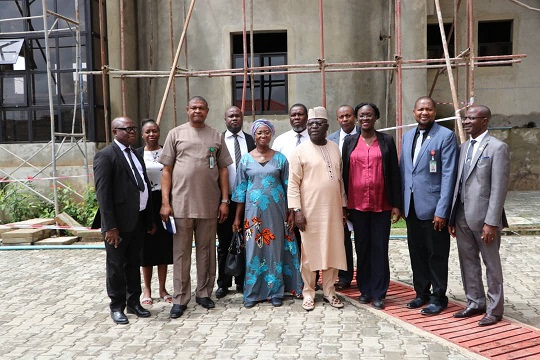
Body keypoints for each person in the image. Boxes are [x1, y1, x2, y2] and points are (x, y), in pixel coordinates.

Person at [159, 96, 233, 319]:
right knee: (181, 253)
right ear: (187, 110)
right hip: (181, 204)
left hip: (209, 205)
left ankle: (204, 293)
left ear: (207, 111)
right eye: (193, 108)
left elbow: (223, 170)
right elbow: (166, 171)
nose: (197, 111)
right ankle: (180, 298)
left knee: (207, 251)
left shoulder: (216, 135)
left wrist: (225, 201)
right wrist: (165, 202)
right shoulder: (175, 134)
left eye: (201, 107)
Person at [448, 105, 510, 326]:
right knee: (467, 261)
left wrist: (491, 222)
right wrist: (452, 216)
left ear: (485, 121)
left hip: (484, 219)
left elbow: (498, 188)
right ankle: (475, 302)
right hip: (462, 215)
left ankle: (494, 310)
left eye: (471, 118)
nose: (466, 122)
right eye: (465, 118)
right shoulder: (464, 147)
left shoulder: (497, 148)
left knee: (491, 264)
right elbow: (458, 183)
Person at [231, 119, 303, 308]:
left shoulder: (281, 159)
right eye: (259, 133)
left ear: (271, 135)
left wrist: (291, 212)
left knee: (275, 250)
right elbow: (240, 191)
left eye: (266, 133)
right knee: (254, 252)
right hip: (253, 215)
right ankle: (253, 293)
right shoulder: (245, 159)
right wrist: (237, 218)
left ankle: (275, 292)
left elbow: (289, 187)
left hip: (277, 213)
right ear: (254, 135)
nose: (263, 136)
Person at [400, 96, 458, 316]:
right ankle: (421, 293)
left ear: (435, 112)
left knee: (437, 254)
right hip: (412, 207)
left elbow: (449, 175)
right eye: (420, 109)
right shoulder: (407, 137)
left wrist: (442, 210)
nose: (424, 113)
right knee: (417, 252)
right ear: (414, 112)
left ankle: (438, 297)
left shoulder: (445, 136)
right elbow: (405, 171)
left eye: (429, 109)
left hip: (434, 209)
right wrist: (400, 204)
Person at [93, 116, 153, 325]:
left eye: (133, 128)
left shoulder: (136, 154)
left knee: (133, 263)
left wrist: (149, 218)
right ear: (115, 131)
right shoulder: (105, 156)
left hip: (136, 219)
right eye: (126, 129)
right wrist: (110, 226)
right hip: (117, 225)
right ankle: (117, 306)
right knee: (116, 265)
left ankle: (133, 302)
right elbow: (103, 194)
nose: (132, 132)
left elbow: (143, 184)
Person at [342, 103, 402, 310]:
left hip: (381, 205)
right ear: (357, 119)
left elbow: (394, 172)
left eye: (369, 115)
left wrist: (396, 204)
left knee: (379, 248)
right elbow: (344, 175)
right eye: (361, 115)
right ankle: (364, 290)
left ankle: (378, 293)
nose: (365, 118)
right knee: (362, 248)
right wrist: (344, 204)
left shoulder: (386, 141)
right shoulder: (349, 142)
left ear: (376, 117)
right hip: (356, 206)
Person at [288, 106, 348, 311]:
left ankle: (331, 291)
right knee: (309, 253)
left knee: (333, 249)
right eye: (311, 123)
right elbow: (293, 183)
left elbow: (339, 181)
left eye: (318, 123)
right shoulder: (299, 151)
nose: (313, 127)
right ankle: (309, 292)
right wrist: (296, 210)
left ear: (326, 126)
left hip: (333, 210)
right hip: (309, 211)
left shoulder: (334, 148)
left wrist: (343, 206)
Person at [216, 106, 255, 299]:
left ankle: (242, 281)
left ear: (242, 118)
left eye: (237, 116)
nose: (234, 119)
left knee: (246, 242)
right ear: (225, 119)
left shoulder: (251, 140)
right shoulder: (218, 140)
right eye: (230, 116)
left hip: (249, 201)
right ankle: (223, 283)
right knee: (224, 243)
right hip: (225, 200)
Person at [136, 119, 173, 305]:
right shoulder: (136, 155)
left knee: (164, 247)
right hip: (146, 204)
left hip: (165, 201)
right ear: (143, 134)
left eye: (155, 131)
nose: (152, 134)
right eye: (148, 131)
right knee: (147, 249)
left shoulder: (167, 152)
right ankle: (147, 290)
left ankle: (163, 288)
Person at [327, 104, 359, 290]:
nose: (345, 119)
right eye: (341, 117)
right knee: (342, 238)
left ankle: (364, 276)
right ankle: (345, 276)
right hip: (339, 196)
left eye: (348, 116)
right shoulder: (331, 140)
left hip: (359, 195)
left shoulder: (365, 135)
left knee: (362, 240)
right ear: (337, 119)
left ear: (354, 117)